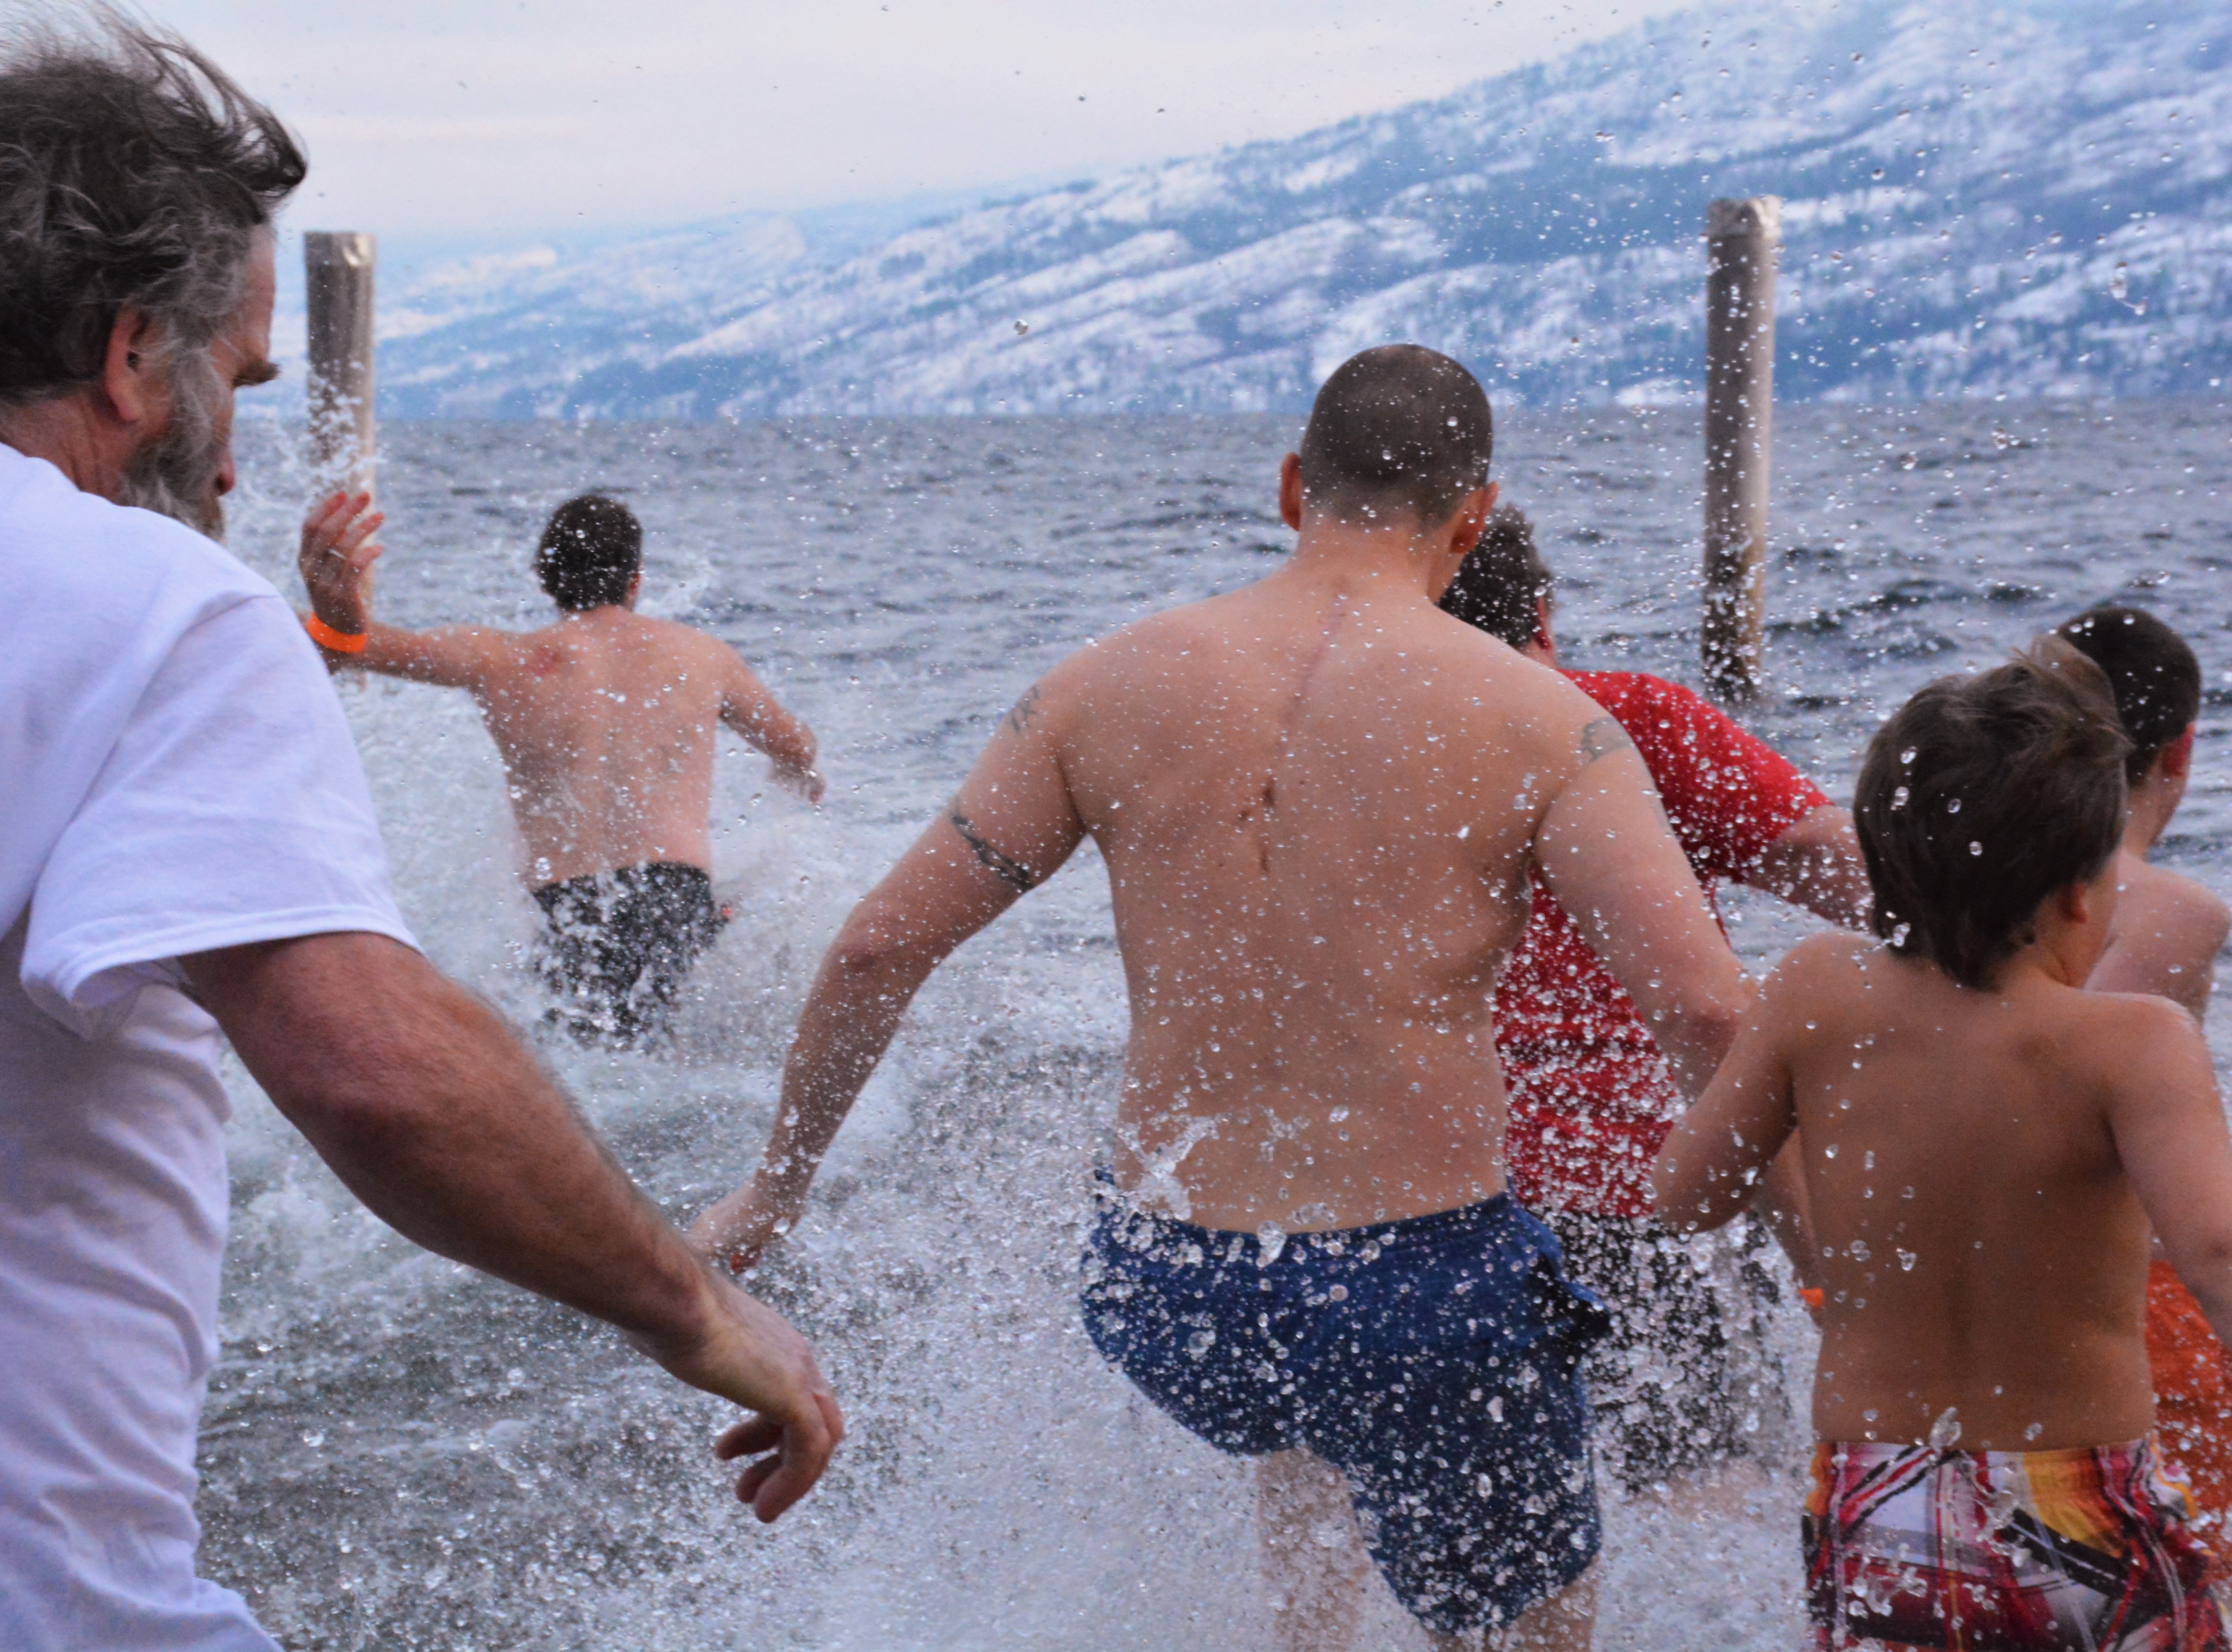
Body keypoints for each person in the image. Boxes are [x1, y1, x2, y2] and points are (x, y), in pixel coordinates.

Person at [0, 24, 837, 1649]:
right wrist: (699, 1308)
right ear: (135, 355)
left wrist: (343, 623)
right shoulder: (153, 603)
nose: (231, 450)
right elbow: (368, 1064)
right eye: (237, 377)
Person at [695, 346, 1757, 1649]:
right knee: (1510, 1607)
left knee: (1309, 1430)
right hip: (1420, 1284)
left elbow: (875, 953)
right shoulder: (1544, 720)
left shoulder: (1099, 686)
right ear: (1475, 516)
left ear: (1292, 485)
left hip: (1167, 1285)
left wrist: (780, 1187)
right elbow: (1704, 1017)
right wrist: (1788, 1225)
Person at [1653, 642, 2232, 1649]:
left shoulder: (1815, 991)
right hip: (2080, 1494)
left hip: (1875, 1493)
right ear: (2078, 895)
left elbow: (1686, 1195)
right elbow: (2224, 1257)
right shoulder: (2133, 1041)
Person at [1439, 505, 1867, 1492]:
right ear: (1541, 613)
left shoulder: (1368, 758)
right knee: (1701, 1511)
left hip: (1432, 1213)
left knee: (1470, 1535)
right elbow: (1847, 879)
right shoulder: (1631, 722)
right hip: (1645, 1196)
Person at [300, 488, 823, 1045]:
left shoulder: (498, 658)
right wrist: (796, 773)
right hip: (675, 899)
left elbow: (346, 648)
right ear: (635, 580)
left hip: (569, 913)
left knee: (584, 1067)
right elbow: (797, 745)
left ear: (545, 579)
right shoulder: (702, 656)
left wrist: (334, 614)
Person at [2058, 603, 2232, 1605]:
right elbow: (2059, 1093)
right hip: (2132, 1305)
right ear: (2179, 748)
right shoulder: (2168, 908)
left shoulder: (1965, 891)